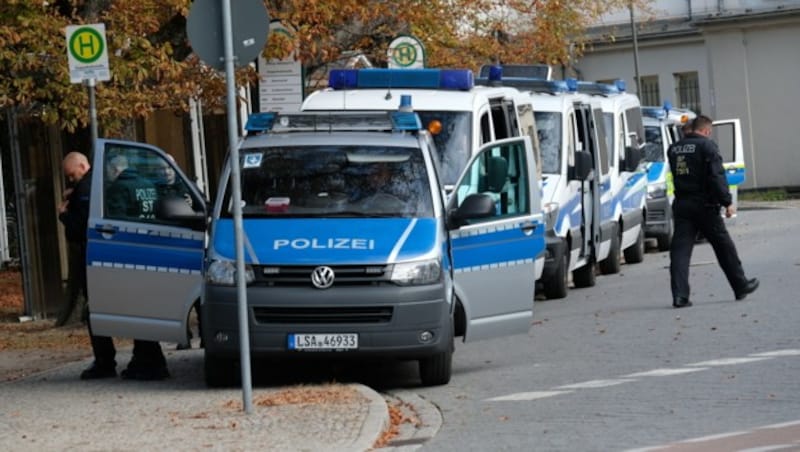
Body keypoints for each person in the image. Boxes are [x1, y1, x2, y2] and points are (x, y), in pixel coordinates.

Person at [73, 152, 169, 380]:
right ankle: (147, 360)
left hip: (127, 254)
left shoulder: (118, 189)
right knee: (142, 307)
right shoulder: (147, 185)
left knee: (124, 308)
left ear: (114, 170)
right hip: (149, 252)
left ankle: (147, 363)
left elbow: (112, 225)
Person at [667, 115, 759, 308]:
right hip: (705, 205)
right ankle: (740, 285)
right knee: (724, 246)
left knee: (680, 251)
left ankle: (680, 296)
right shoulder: (707, 146)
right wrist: (727, 202)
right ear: (706, 130)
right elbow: (716, 176)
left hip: (682, 204)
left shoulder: (673, 148)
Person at [56, 153, 92, 327]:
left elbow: (80, 225)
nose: (71, 179)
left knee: (91, 298)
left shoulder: (84, 188)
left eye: (72, 174)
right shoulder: (88, 185)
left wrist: (63, 215)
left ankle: (104, 353)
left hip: (86, 247)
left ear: (83, 167)